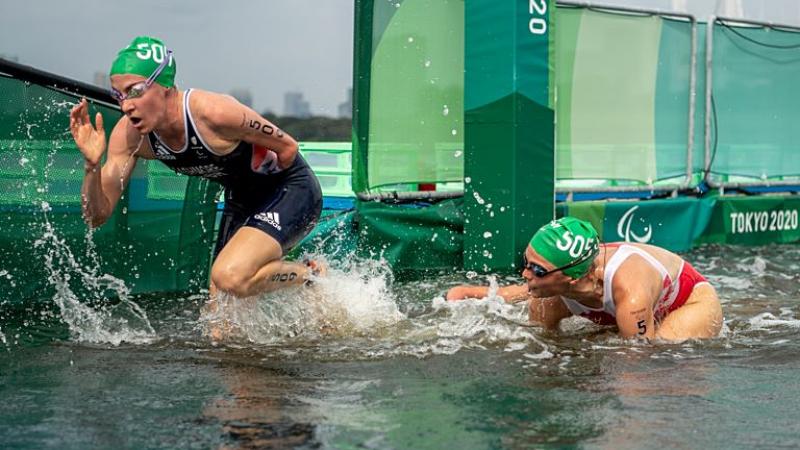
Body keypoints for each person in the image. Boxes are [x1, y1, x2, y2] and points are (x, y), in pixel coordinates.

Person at [69, 36, 323, 305]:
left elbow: (287, 148)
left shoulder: (213, 113)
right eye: (118, 95)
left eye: (135, 91)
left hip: (290, 190)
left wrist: (271, 229)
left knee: (230, 277)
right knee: (219, 323)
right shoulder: (130, 136)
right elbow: (96, 216)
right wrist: (91, 167)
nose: (126, 105)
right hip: (242, 199)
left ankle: (311, 275)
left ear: (165, 85)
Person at [446, 217, 723, 341]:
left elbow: (641, 370)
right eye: (525, 263)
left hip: (688, 302)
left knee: (662, 354)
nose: (525, 274)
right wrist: (465, 292)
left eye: (537, 271)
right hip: (625, 306)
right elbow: (516, 294)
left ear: (571, 278)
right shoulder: (550, 294)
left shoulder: (631, 296)